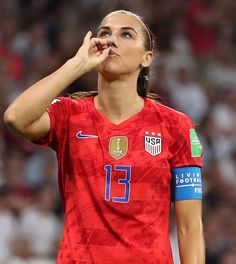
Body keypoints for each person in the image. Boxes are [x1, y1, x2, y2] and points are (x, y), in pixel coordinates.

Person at [4, 10, 205, 264]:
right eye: (105, 33)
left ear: (147, 58)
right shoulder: (68, 115)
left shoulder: (176, 126)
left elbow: (190, 226)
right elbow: (15, 118)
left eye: (126, 34)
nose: (111, 40)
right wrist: (76, 64)